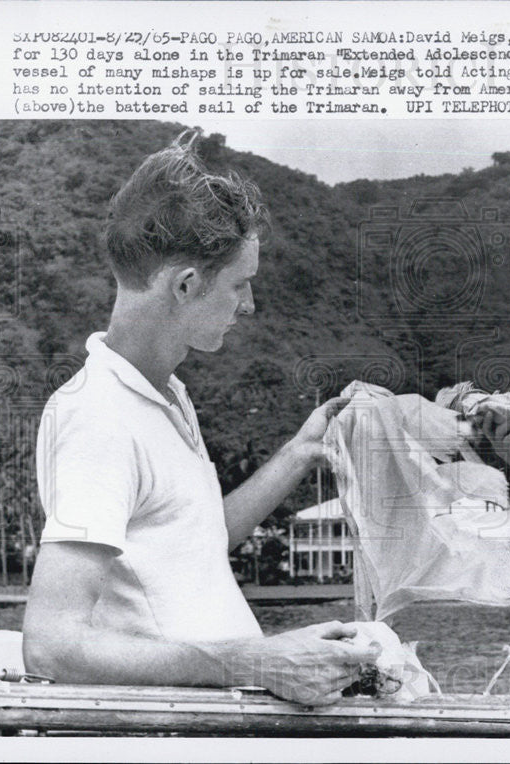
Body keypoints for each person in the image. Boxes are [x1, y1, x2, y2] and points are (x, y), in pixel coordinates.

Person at [22, 133, 379, 706]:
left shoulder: (167, 395)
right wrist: (259, 661)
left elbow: (193, 540)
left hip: (221, 716)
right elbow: (51, 645)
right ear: (187, 285)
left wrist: (298, 452)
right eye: (241, 284)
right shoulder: (99, 418)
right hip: (181, 728)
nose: (250, 305)